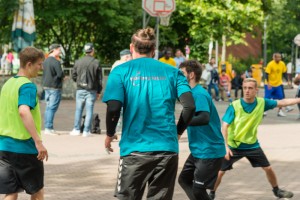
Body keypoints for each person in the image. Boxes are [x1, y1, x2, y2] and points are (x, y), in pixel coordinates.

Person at [102, 27, 195, 200]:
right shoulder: (173, 72)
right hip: (166, 150)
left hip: (134, 150)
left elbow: (114, 108)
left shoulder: (120, 72)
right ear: (154, 51)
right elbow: (189, 106)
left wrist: (109, 133)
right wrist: (178, 132)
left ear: (131, 47)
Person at [209, 78, 298, 200]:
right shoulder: (235, 106)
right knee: (220, 171)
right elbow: (224, 126)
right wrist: (225, 147)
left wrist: (298, 99)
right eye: (245, 88)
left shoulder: (262, 103)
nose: (247, 91)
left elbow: (282, 102)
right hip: (234, 145)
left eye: (250, 88)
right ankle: (211, 194)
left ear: (256, 90)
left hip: (252, 145)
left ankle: (277, 191)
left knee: (268, 168)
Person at [0, 47, 48, 200]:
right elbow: (23, 111)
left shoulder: (8, 84)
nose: (41, 68)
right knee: (37, 191)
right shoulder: (27, 86)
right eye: (39, 64)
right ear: (29, 64)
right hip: (24, 148)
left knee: (11, 192)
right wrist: (38, 142)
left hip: (4, 147)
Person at [178, 60, 226, 200]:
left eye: (182, 74)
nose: (178, 77)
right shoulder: (190, 94)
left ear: (191, 75)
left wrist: (181, 123)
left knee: (199, 190)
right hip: (199, 150)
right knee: (184, 180)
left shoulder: (198, 94)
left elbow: (204, 118)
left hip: (209, 151)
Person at [69, 43, 103, 137]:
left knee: (78, 110)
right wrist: (99, 91)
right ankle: (86, 131)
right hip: (91, 90)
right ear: (92, 50)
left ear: (85, 51)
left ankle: (76, 129)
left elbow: (73, 75)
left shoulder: (78, 61)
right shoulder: (96, 62)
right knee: (89, 110)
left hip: (80, 89)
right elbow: (99, 79)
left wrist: (79, 82)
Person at [42, 44, 64, 135]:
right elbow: (60, 74)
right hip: (55, 87)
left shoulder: (45, 61)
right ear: (54, 50)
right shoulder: (56, 62)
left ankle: (47, 127)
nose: (60, 52)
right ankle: (49, 128)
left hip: (46, 86)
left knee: (48, 107)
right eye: (59, 50)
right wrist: (63, 76)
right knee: (52, 108)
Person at [264, 53, 290, 117]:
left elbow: (284, 73)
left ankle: (280, 111)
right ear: (274, 58)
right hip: (270, 84)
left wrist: (288, 80)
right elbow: (266, 74)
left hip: (278, 84)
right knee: (267, 98)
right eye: (277, 58)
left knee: (281, 98)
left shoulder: (282, 64)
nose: (279, 59)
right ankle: (264, 110)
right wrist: (268, 83)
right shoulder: (270, 64)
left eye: (280, 57)